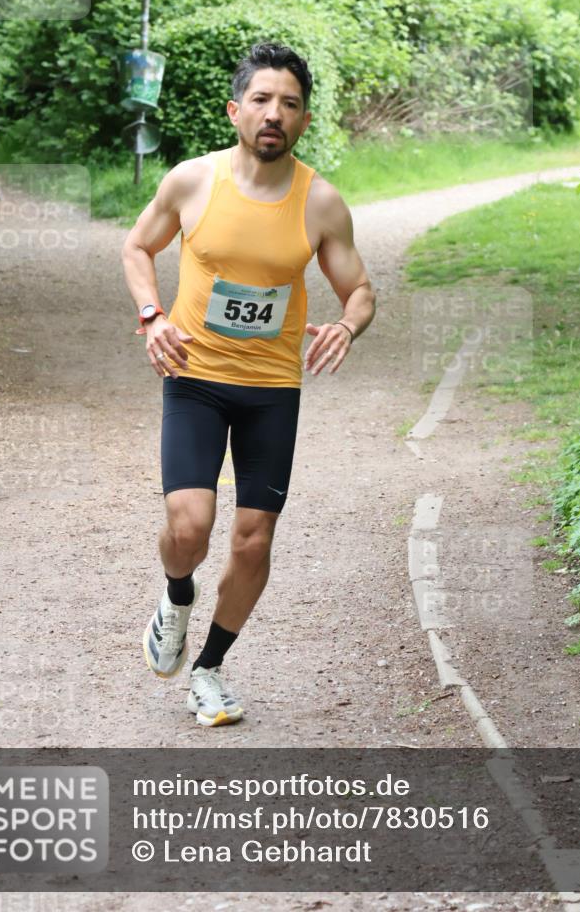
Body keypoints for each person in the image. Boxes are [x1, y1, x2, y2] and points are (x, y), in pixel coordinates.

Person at [122, 42, 375, 727]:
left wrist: (346, 329)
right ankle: (176, 597)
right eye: (261, 100)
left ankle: (208, 669)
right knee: (190, 527)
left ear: (303, 120)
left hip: (271, 390)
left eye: (289, 104)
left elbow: (359, 291)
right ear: (235, 110)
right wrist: (151, 316)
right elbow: (138, 247)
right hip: (196, 377)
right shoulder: (191, 182)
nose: (274, 114)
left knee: (254, 539)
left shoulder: (319, 203)